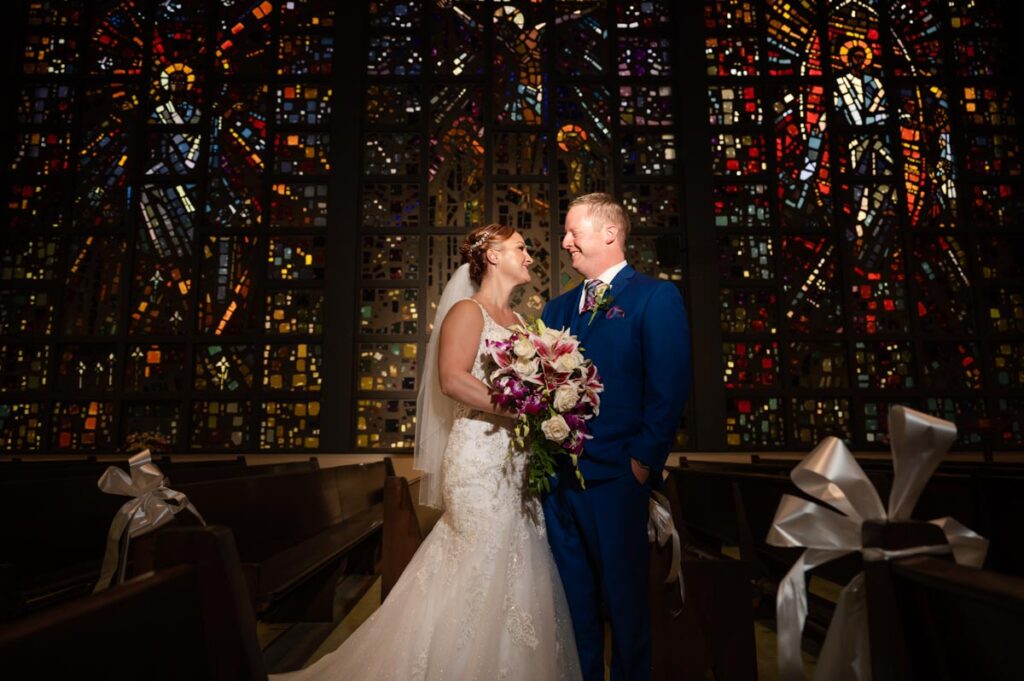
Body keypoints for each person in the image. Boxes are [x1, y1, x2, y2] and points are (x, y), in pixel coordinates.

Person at [274, 224, 581, 680]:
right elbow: (452, 379)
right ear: (493, 255)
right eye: (521, 248)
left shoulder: (520, 323)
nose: (530, 257)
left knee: (518, 564)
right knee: (477, 562)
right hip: (478, 459)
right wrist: (523, 409)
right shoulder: (466, 311)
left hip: (515, 463)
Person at [541, 193, 692, 681]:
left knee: (625, 604)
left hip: (617, 478)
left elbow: (668, 388)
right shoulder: (558, 307)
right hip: (560, 481)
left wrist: (643, 463)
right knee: (575, 601)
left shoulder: (655, 297)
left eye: (572, 232)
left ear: (609, 233)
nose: (565, 243)